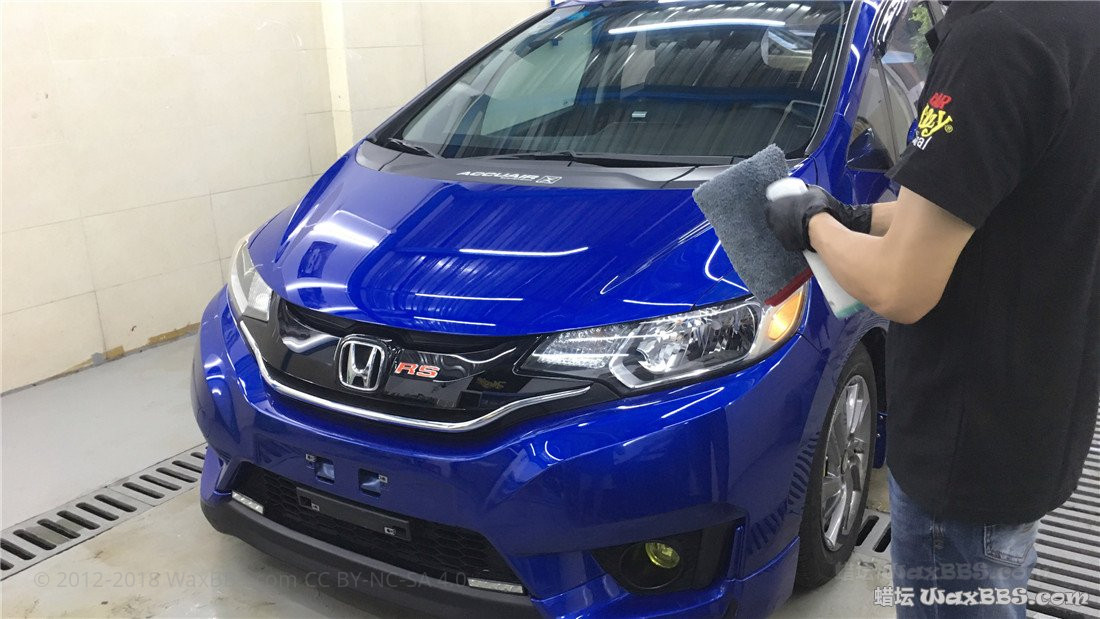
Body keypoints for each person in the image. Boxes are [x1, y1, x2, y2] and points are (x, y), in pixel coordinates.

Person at [763, 2, 1100, 617]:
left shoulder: (994, 44)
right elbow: (982, 198)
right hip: (1033, 419)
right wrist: (855, 217)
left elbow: (899, 288)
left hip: (963, 448)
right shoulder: (1073, 20)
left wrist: (811, 224)